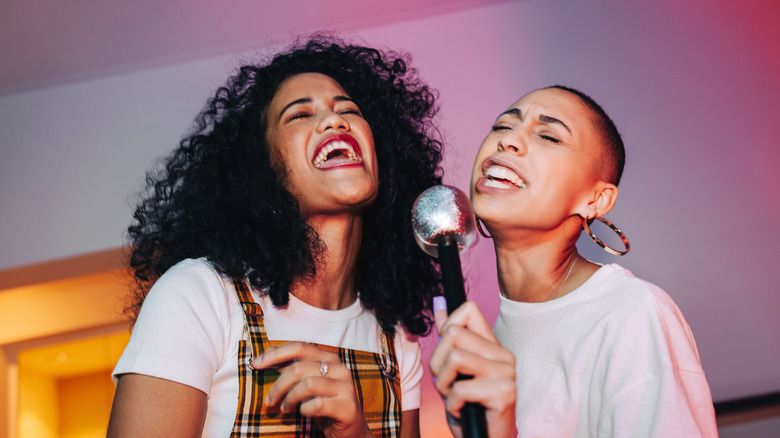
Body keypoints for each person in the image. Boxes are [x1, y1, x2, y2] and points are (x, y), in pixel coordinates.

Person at [107, 36, 444, 437]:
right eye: (299, 115)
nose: (335, 121)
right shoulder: (198, 295)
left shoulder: (395, 339)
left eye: (349, 110)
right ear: (261, 169)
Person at [429, 85, 718, 437]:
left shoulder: (631, 313)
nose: (509, 141)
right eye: (503, 126)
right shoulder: (490, 344)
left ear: (596, 200)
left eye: (549, 136)